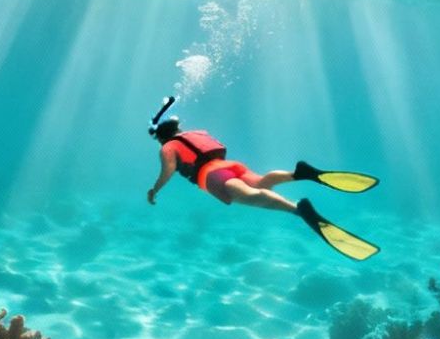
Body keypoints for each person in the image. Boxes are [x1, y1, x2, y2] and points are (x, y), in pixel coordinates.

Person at [143, 99, 382, 260]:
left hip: (210, 175)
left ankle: (299, 210)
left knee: (248, 195)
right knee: (259, 182)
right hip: (230, 165)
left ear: (161, 137)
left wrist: (155, 190)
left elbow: (168, 171)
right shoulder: (195, 133)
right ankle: (300, 173)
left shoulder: (168, 147)